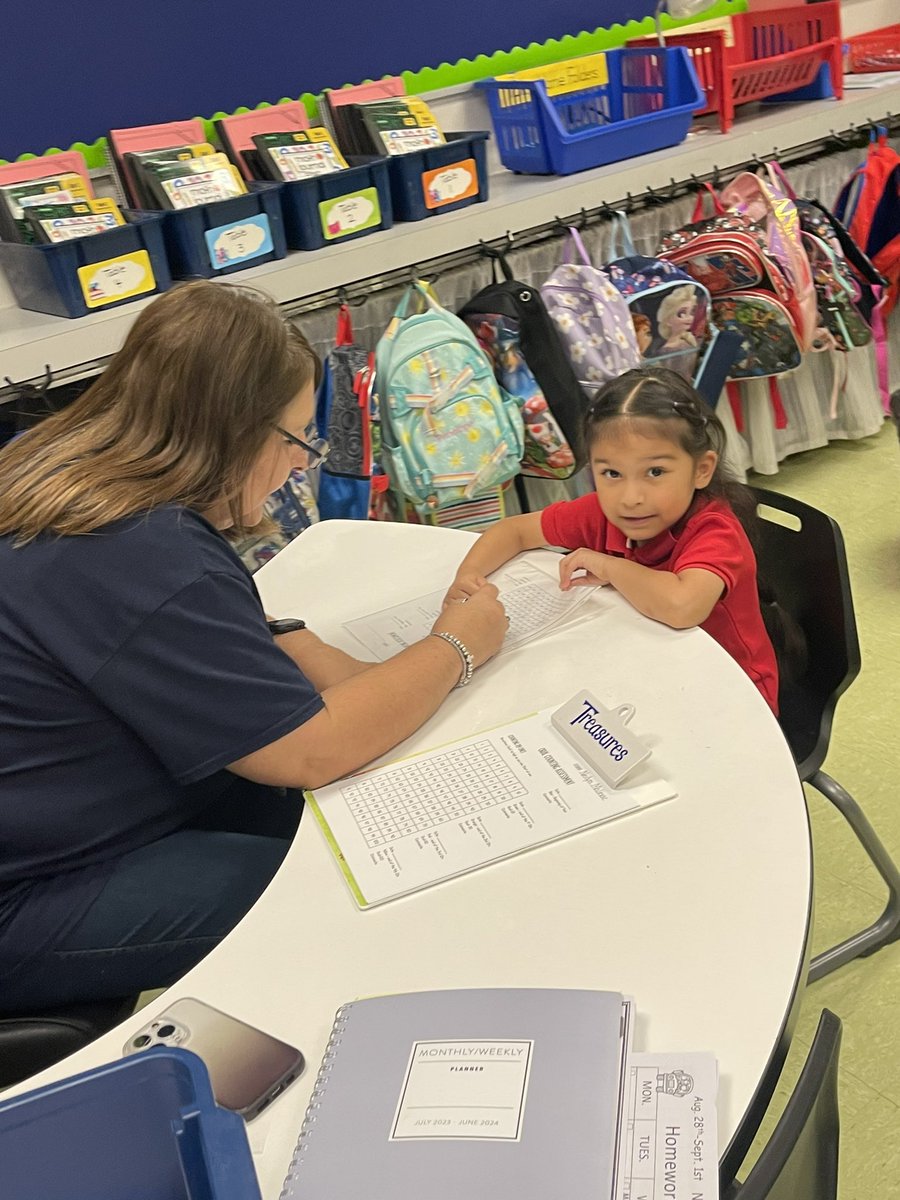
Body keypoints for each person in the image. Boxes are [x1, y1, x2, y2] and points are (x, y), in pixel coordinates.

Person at [0, 280, 507, 1012]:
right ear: (234, 430)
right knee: (336, 884)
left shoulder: (59, 464)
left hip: (52, 815)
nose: (301, 466)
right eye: (297, 441)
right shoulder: (144, 547)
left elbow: (127, 632)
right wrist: (459, 644)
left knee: (324, 819)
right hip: (28, 899)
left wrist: (287, 643)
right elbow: (309, 751)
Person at [445, 366, 780, 714]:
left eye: (655, 472)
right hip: (649, 669)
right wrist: (468, 577)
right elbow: (512, 531)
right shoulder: (602, 513)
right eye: (612, 473)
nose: (630, 497)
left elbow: (683, 605)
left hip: (733, 695)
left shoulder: (714, 529)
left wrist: (606, 565)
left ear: (701, 470)